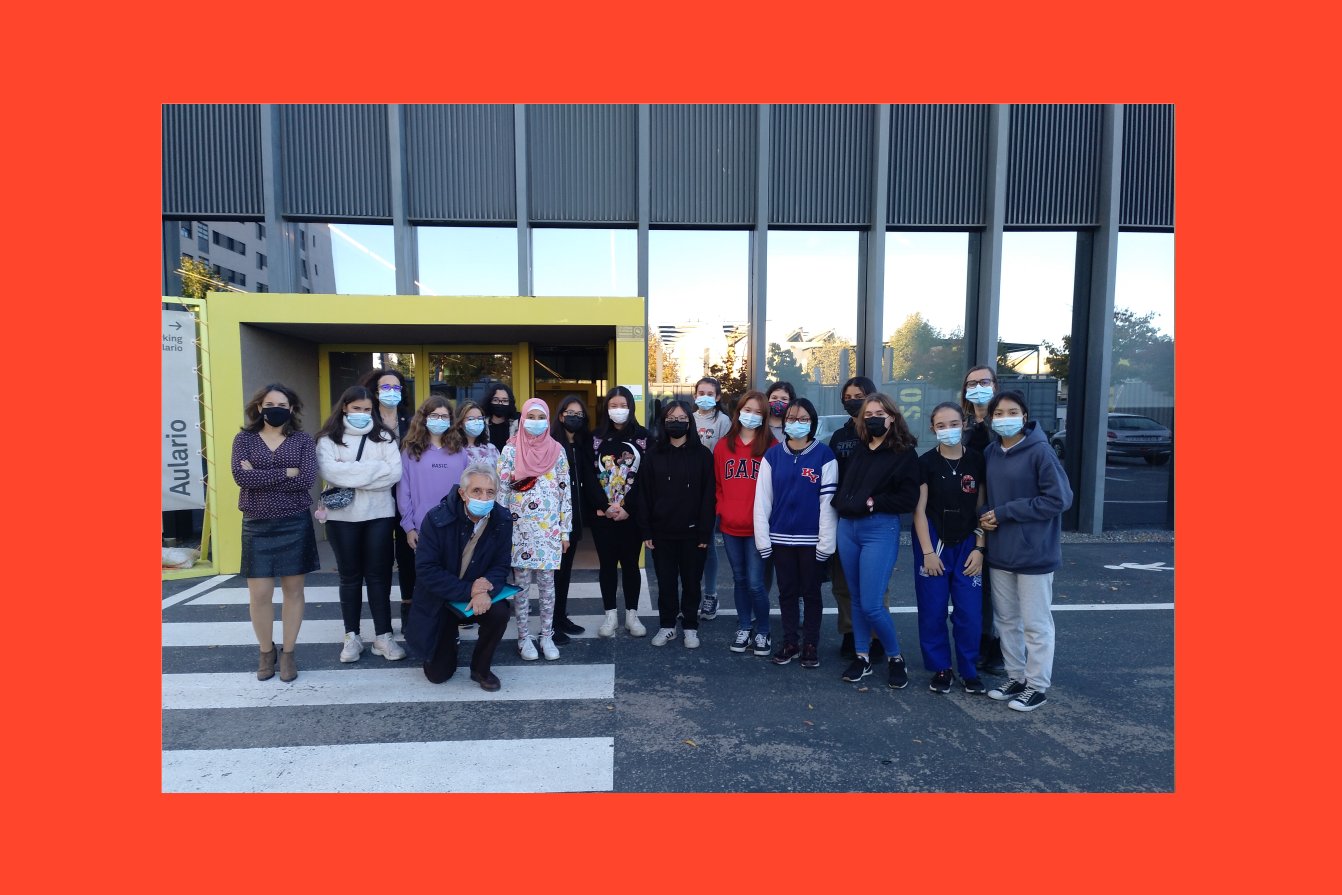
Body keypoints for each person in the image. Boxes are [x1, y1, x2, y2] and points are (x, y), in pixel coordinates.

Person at [979, 390, 1073, 712]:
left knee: (1036, 624)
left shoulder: (1040, 452)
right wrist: (988, 515)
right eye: (999, 413)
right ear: (991, 418)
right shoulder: (991, 452)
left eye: (1012, 411)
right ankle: (1016, 677)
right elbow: (989, 495)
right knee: (1006, 621)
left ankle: (1037, 686)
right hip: (1001, 552)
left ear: (1025, 415)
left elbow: (1059, 499)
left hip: (1035, 553)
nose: (1005, 418)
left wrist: (1006, 512)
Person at [231, 383, 319, 683]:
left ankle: (289, 653)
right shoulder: (244, 439)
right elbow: (240, 476)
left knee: (293, 591)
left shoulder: (303, 441)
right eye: (269, 404)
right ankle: (266, 652)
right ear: (259, 408)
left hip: (294, 521)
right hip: (256, 522)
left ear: (291, 409)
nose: (275, 409)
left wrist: (259, 476)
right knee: (260, 594)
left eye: (281, 404)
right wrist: (285, 472)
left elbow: (306, 478)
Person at [833, 392, 920, 689]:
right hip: (848, 529)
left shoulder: (904, 452)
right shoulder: (861, 449)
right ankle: (862, 656)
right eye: (867, 414)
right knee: (856, 599)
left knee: (872, 604)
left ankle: (896, 657)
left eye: (879, 413)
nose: (872, 418)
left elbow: (908, 498)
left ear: (892, 417)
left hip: (879, 530)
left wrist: (874, 503)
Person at [404, 462, 514, 691]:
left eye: (490, 492)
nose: (484, 497)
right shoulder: (436, 519)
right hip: (442, 599)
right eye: (477, 491)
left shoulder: (502, 519)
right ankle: (447, 641)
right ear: (462, 493)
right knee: (437, 675)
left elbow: (501, 564)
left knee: (500, 611)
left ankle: (481, 668)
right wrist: (469, 590)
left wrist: (485, 590)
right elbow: (426, 569)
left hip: (478, 594)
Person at [315, 386, 406, 663]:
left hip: (379, 515)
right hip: (342, 518)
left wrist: (350, 473)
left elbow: (395, 474)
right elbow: (331, 471)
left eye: (367, 410)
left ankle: (383, 636)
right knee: (350, 577)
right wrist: (375, 470)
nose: (362, 414)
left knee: (379, 576)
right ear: (344, 407)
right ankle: (351, 636)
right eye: (357, 409)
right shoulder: (328, 439)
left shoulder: (384, 437)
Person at [754, 397, 837, 669]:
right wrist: (763, 539)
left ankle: (810, 643)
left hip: (812, 541)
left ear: (812, 422)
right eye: (791, 418)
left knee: (811, 594)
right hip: (780, 539)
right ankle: (790, 641)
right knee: (787, 592)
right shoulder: (773, 455)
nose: (796, 424)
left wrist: (826, 543)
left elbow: (828, 504)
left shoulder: (824, 455)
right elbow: (762, 500)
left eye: (803, 419)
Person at [912, 402, 988, 695]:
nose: (948, 430)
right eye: (941, 425)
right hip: (934, 544)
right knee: (932, 610)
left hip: (969, 544)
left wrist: (980, 548)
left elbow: (983, 508)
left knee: (969, 613)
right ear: (933, 429)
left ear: (964, 424)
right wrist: (928, 552)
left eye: (954, 424)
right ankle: (941, 668)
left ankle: (969, 670)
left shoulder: (977, 460)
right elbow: (919, 511)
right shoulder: (926, 463)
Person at [497, 398, 572, 661]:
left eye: (542, 417)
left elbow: (565, 493)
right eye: (532, 416)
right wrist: (500, 532)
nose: (537, 422)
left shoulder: (557, 451)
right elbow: (501, 494)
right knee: (521, 587)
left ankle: (547, 635)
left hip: (549, 533)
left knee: (547, 587)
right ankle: (523, 637)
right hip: (519, 532)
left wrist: (565, 531)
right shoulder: (510, 451)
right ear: (523, 419)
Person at [638, 400, 716, 649]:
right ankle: (667, 625)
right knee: (666, 582)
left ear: (690, 423)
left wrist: (705, 530)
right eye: (670, 418)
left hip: (694, 533)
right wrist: (647, 530)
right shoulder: (652, 455)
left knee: (692, 583)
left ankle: (691, 626)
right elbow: (644, 495)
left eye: (682, 418)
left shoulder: (703, 455)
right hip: (662, 533)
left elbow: (708, 495)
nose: (676, 422)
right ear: (663, 422)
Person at [826, 375, 886, 661]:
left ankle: (876, 637)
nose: (853, 401)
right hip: (844, 518)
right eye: (848, 397)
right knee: (843, 583)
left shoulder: (883, 433)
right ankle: (850, 632)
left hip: (875, 519)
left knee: (874, 584)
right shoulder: (840, 437)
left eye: (858, 395)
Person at [397, 396, 468, 630]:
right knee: (425, 582)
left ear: (451, 420)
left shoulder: (459, 451)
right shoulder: (410, 451)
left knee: (451, 578)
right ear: (424, 418)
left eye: (444, 416)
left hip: (455, 526)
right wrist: (408, 527)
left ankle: (450, 630)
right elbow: (403, 491)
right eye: (434, 415)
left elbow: (467, 489)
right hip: (422, 528)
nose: (439, 420)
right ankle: (424, 631)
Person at [715, 390, 775, 656]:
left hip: (758, 528)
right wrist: (722, 511)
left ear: (765, 417)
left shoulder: (772, 448)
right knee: (739, 579)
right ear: (738, 412)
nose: (751, 416)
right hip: (730, 526)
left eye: (758, 412)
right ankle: (744, 625)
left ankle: (763, 630)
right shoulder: (723, 446)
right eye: (746, 410)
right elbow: (718, 485)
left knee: (755, 582)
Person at [588, 386, 649, 638]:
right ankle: (610, 615)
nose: (618, 410)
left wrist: (626, 508)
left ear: (631, 407)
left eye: (623, 405)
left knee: (631, 565)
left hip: (631, 516)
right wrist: (605, 506)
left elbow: (645, 478)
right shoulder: (595, 438)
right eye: (613, 405)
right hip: (604, 516)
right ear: (607, 408)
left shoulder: (644, 437)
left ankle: (632, 616)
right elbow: (589, 476)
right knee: (607, 566)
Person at [359, 367, 417, 632]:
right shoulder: (365, 420)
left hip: (407, 499)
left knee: (408, 557)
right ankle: (382, 624)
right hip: (375, 499)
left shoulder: (411, 419)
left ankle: (409, 609)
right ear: (375, 390)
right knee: (379, 560)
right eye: (386, 387)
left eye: (397, 387)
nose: (392, 392)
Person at [960, 364, 1005, 675]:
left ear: (995, 385)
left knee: (999, 586)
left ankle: (999, 647)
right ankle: (978, 640)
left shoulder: (1004, 422)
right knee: (976, 584)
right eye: (971, 383)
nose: (977, 387)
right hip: (969, 513)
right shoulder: (960, 425)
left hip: (1000, 513)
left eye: (983, 382)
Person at [551, 395, 595, 644]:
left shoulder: (580, 444)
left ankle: (560, 616)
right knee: (555, 575)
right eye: (570, 413)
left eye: (580, 415)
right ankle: (552, 624)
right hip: (556, 523)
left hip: (574, 521)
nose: (575, 418)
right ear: (560, 416)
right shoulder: (553, 446)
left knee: (566, 572)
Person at [691, 376, 732, 622]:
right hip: (687, 492)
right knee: (688, 546)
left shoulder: (723, 421)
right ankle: (690, 594)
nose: (704, 396)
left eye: (710, 392)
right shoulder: (688, 417)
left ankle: (711, 594)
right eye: (700, 392)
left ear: (717, 397)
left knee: (707, 546)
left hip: (711, 489)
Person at [455, 400, 501, 469]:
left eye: (480, 418)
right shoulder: (453, 449)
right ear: (460, 423)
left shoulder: (491, 449)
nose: (476, 422)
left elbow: (499, 475)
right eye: (471, 419)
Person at [483, 380, 520, 452]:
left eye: (505, 400)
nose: (500, 403)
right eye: (496, 400)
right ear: (489, 401)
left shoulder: (517, 425)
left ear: (510, 402)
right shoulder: (481, 425)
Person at [764, 380, 796, 445]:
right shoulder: (759, 423)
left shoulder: (794, 427)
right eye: (774, 398)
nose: (778, 401)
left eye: (784, 399)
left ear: (791, 402)